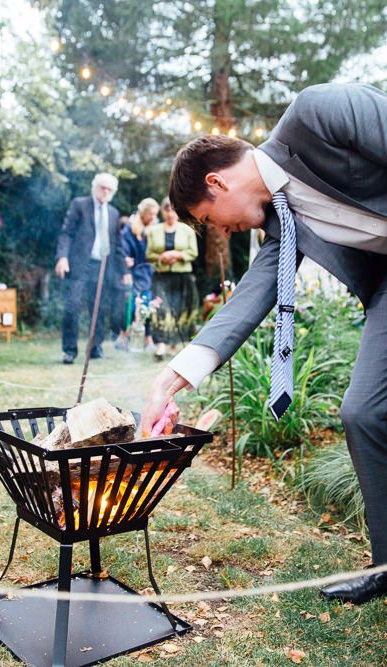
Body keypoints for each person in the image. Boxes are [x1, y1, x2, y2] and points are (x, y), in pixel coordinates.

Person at [141, 83, 387, 605]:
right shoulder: (281, 222)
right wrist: (172, 377)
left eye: (209, 219)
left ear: (217, 181)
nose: (220, 231)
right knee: (363, 412)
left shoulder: (317, 113)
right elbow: (249, 300)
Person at [55, 173, 132, 363]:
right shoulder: (79, 205)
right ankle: (70, 350)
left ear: (113, 192)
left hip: (104, 267)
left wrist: (125, 272)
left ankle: (96, 348)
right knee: (71, 307)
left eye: (109, 189)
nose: (105, 191)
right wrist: (62, 257)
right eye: (102, 187)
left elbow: (118, 246)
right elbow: (66, 233)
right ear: (94, 187)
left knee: (98, 309)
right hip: (80, 265)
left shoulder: (113, 213)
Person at [146, 196, 199, 360]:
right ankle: (160, 346)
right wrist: (162, 256)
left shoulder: (188, 230)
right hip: (161, 276)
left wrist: (178, 255)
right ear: (163, 211)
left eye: (173, 210)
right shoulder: (153, 231)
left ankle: (176, 345)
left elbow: (193, 253)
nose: (170, 214)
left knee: (181, 309)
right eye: (167, 210)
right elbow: (148, 254)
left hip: (182, 276)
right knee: (161, 310)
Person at [116, 198, 159, 351]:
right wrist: (126, 262)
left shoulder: (154, 227)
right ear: (143, 213)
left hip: (149, 273)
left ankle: (148, 339)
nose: (154, 218)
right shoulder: (129, 230)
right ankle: (124, 336)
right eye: (151, 214)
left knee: (148, 305)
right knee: (132, 305)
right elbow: (123, 250)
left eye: (155, 215)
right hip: (134, 272)